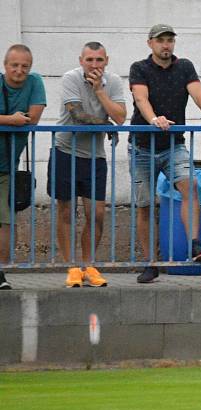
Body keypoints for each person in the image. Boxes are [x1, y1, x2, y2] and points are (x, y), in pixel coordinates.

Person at [129, 24, 201, 284]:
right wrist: (153, 119)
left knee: (190, 186)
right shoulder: (139, 68)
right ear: (150, 43)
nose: (166, 45)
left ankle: (195, 245)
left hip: (173, 144)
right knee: (145, 206)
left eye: (170, 40)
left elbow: (199, 94)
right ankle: (151, 263)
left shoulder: (184, 66)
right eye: (161, 40)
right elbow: (141, 99)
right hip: (142, 145)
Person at [50, 41, 126, 288]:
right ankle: (70, 267)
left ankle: (88, 265)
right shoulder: (70, 78)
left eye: (99, 60)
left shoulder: (113, 81)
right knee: (66, 212)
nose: (94, 65)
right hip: (66, 151)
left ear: (107, 60)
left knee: (97, 215)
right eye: (90, 60)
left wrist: (100, 91)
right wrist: (106, 126)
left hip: (95, 157)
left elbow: (121, 117)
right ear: (81, 60)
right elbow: (77, 115)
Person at [0, 44, 46, 290]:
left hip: (6, 165)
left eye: (24, 66)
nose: (19, 71)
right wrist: (11, 120)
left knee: (5, 220)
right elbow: (22, 119)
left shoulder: (35, 82)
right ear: (5, 65)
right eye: (14, 65)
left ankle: (1, 272)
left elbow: (34, 117)